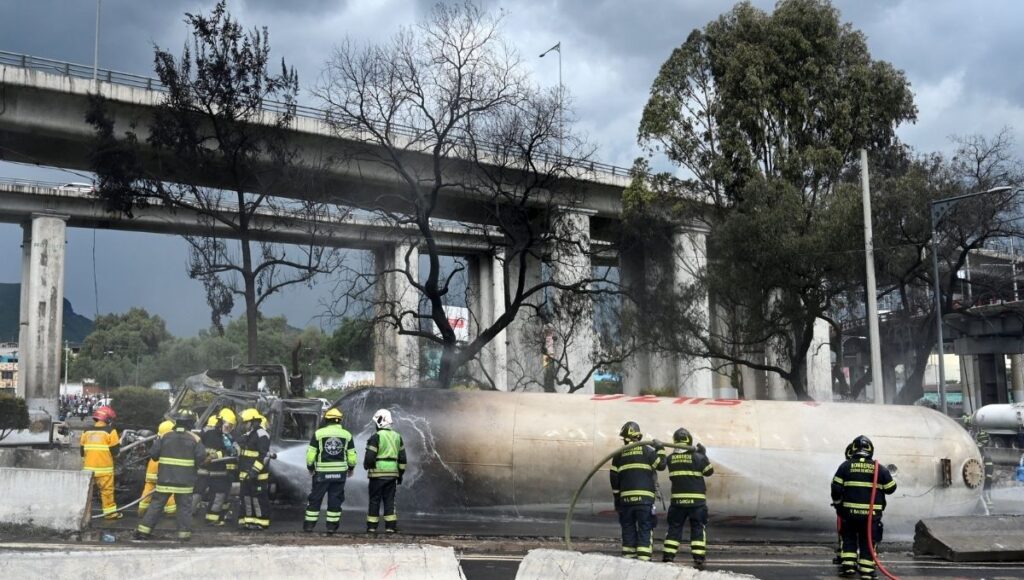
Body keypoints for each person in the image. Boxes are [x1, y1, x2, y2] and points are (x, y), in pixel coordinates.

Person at [133, 411, 207, 542]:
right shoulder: (195, 439)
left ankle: (143, 532)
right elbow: (201, 458)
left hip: (165, 479)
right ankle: (183, 535)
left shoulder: (164, 436)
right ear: (190, 423)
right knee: (184, 508)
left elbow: (154, 455)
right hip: (185, 482)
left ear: (177, 421)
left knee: (156, 505)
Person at [831, 435, 897, 579]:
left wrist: (838, 504)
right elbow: (891, 489)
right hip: (870, 516)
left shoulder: (845, 466)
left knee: (849, 539)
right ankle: (867, 571)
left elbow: (835, 488)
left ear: (853, 449)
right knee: (868, 541)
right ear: (870, 450)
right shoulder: (879, 468)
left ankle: (848, 566)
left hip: (849, 514)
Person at [610, 421, 665, 561]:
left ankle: (628, 559)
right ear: (638, 436)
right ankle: (644, 561)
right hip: (645, 501)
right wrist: (660, 449)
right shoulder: (648, 451)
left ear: (625, 438)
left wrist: (617, 499)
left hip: (626, 501)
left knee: (628, 528)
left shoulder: (618, 455)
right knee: (645, 527)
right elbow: (661, 465)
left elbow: (614, 479)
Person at [661, 427, 714, 569]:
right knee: (697, 528)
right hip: (697, 503)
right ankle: (699, 558)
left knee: (674, 528)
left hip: (678, 502)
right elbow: (709, 472)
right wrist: (703, 455)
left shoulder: (670, 458)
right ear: (689, 440)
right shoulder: (698, 457)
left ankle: (668, 555)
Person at [304, 407, 357, 533]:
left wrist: (310, 467)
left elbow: (311, 454)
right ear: (339, 420)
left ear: (327, 420)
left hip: (321, 474)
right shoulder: (347, 435)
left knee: (315, 498)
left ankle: (309, 526)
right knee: (335, 500)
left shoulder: (318, 434)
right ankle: (331, 527)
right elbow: (352, 456)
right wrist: (351, 468)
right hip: (339, 474)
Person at [364, 408, 406, 534]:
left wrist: (367, 465)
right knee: (389, 500)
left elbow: (370, 457)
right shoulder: (398, 437)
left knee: (374, 500)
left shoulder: (376, 437)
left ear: (380, 422)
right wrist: (400, 474)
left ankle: (372, 527)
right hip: (392, 475)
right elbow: (403, 458)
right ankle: (390, 527)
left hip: (377, 475)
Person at [81, 405, 122, 520]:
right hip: (105, 469)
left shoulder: (86, 431)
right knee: (107, 492)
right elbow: (116, 452)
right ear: (108, 419)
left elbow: (82, 451)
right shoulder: (110, 431)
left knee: (86, 492)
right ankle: (110, 514)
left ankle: (83, 514)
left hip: (88, 469)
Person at [238, 408, 272, 530]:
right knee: (246, 498)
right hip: (246, 474)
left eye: (246, 422)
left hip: (257, 476)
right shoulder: (249, 434)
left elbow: (263, 456)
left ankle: (261, 522)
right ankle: (248, 521)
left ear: (253, 422)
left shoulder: (262, 435)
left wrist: (254, 471)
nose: (244, 425)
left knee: (258, 499)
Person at [202, 408, 238, 526]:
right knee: (218, 495)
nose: (229, 429)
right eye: (228, 426)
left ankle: (221, 517)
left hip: (225, 472)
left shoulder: (226, 436)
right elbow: (213, 452)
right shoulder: (212, 435)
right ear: (221, 422)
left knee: (223, 495)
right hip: (216, 471)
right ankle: (212, 518)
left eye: (231, 427)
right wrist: (225, 452)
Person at [138, 419, 177, 518]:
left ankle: (142, 509)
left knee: (148, 489)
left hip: (152, 470)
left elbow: (153, 454)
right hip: (164, 471)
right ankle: (171, 512)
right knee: (170, 489)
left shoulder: (157, 441)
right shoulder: (173, 443)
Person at [976, 431, 994, 511]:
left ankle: (986, 505)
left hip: (981, 474)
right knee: (986, 491)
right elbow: (989, 465)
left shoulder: (977, 447)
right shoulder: (983, 450)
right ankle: (988, 507)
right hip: (985, 475)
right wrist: (988, 476)